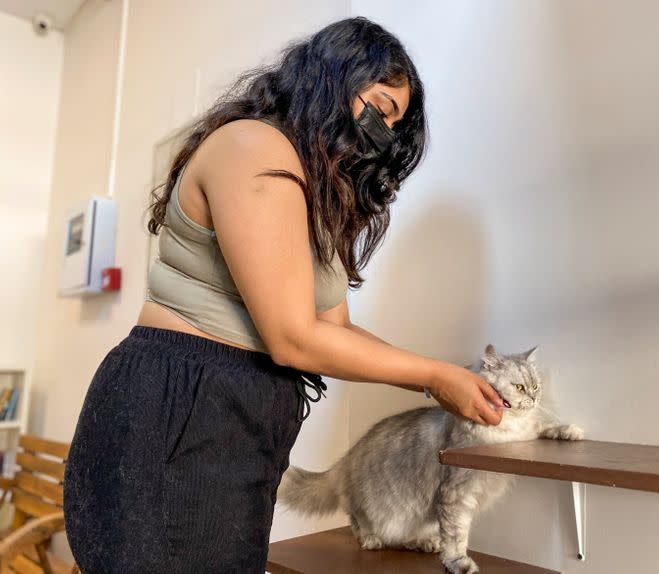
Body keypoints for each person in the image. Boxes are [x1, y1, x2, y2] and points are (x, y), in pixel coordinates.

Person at [63, 16, 505, 574]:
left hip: (239, 421)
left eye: (395, 122)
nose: (384, 134)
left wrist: (442, 375)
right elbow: (294, 337)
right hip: (178, 409)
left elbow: (333, 329)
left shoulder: (314, 191)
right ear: (331, 80)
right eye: (380, 109)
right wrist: (435, 377)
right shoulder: (253, 147)